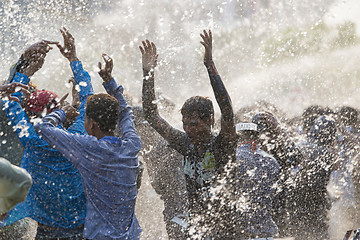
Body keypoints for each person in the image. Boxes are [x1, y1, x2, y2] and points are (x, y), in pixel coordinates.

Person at [140, 30, 237, 238]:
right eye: (184, 123)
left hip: (225, 231)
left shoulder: (223, 145)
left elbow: (227, 110)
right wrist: (148, 73)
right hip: (197, 227)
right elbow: (151, 115)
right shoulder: (186, 144)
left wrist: (209, 64)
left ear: (209, 120)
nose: (187, 129)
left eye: (193, 123)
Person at [35, 54, 142, 239]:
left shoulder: (88, 149)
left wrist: (62, 112)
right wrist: (110, 82)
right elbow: (126, 113)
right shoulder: (132, 145)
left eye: (85, 118)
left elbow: (42, 127)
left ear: (91, 124)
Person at [1, 29, 92, 239]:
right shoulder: (78, 137)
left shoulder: (30, 140)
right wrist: (73, 59)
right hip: (81, 232)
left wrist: (26, 69)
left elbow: (12, 106)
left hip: (43, 232)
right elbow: (88, 100)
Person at [235, 122, 280, 238]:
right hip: (267, 233)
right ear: (258, 137)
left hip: (243, 233)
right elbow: (277, 201)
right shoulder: (271, 161)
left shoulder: (232, 159)